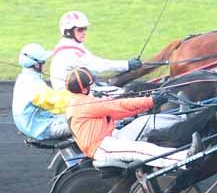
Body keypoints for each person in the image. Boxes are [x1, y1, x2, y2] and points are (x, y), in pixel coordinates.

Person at [64, 67, 202, 168]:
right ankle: (185, 158)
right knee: (142, 150)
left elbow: (118, 112)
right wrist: (151, 101)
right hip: (102, 148)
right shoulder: (85, 103)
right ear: (83, 89)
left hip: (111, 137)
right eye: (90, 85)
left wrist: (147, 105)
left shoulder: (79, 101)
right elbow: (119, 105)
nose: (92, 87)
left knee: (144, 121)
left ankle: (183, 121)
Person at [49, 11, 142, 91]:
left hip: (77, 90)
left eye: (85, 28)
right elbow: (98, 66)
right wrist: (127, 65)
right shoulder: (69, 52)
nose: (84, 32)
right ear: (68, 32)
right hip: (71, 97)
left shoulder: (71, 45)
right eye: (80, 29)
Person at [12, 43, 73, 140]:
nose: (45, 64)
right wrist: (83, 98)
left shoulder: (23, 78)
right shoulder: (35, 86)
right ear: (36, 64)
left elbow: (54, 99)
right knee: (86, 123)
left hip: (31, 125)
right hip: (43, 129)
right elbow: (58, 105)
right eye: (43, 61)